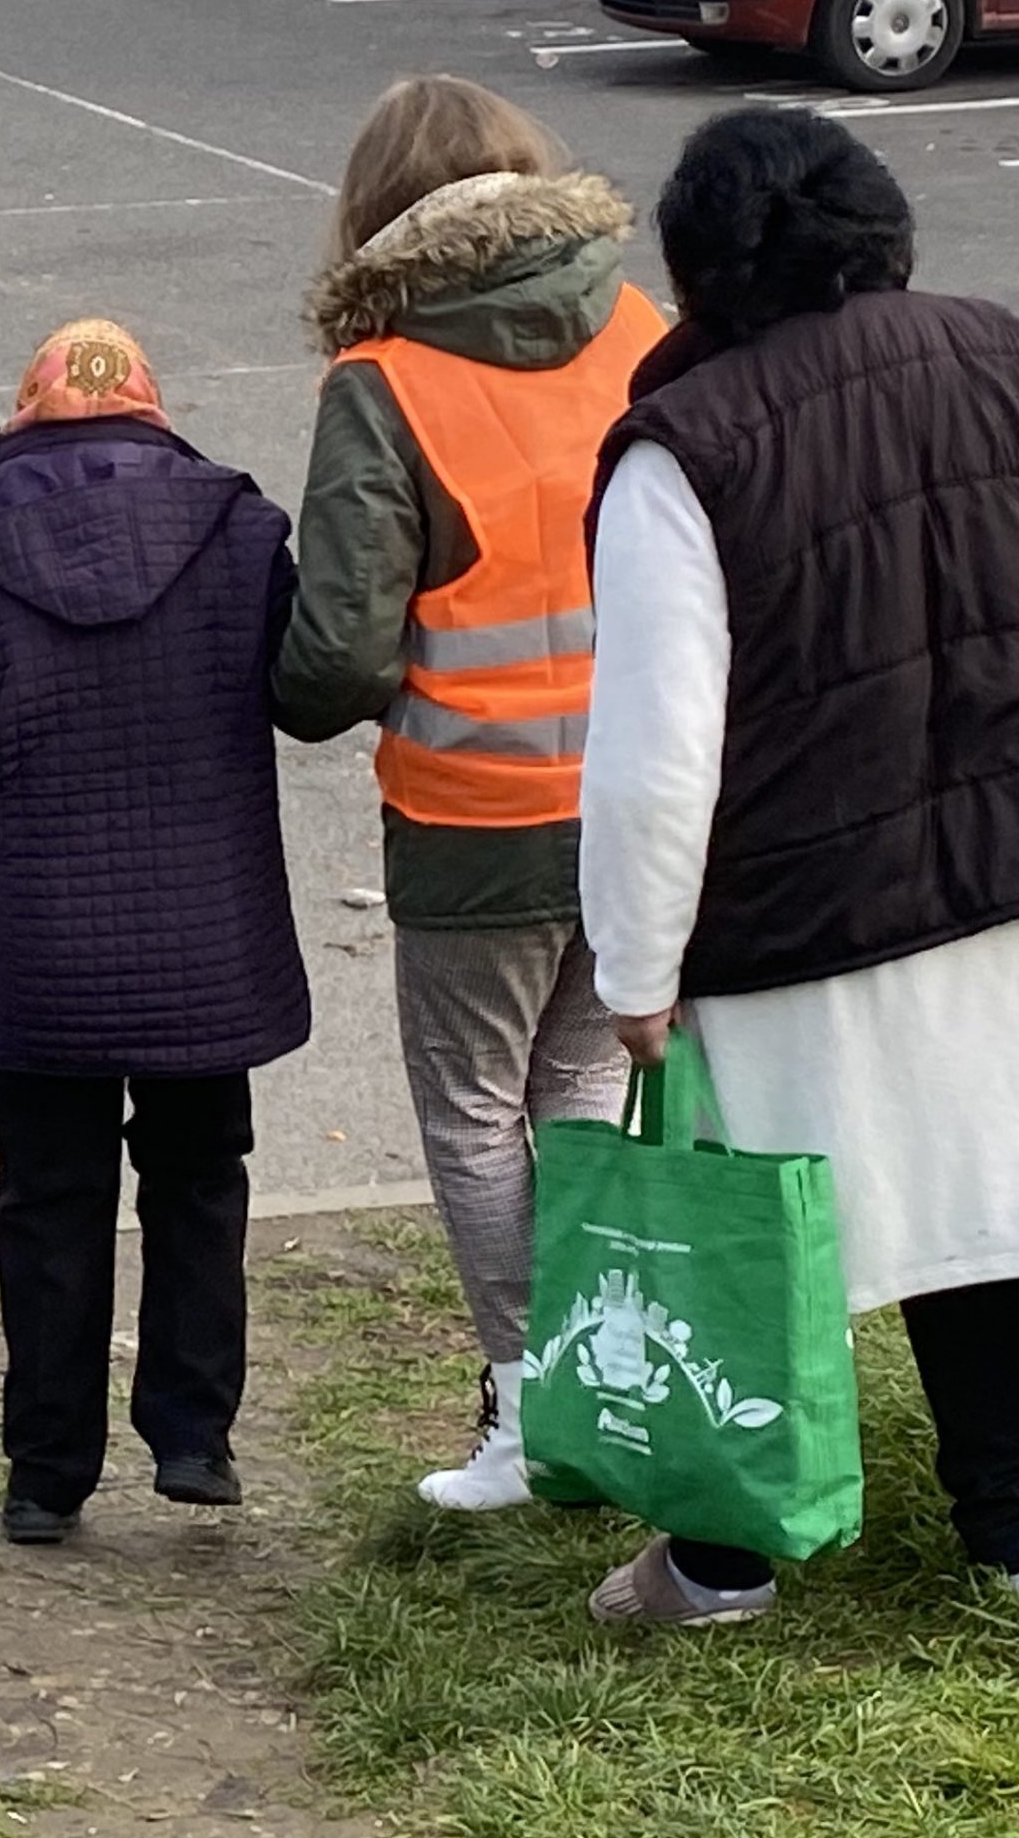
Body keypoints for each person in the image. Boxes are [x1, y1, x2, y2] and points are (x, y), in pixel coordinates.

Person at [578, 108, 1019, 1627]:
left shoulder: (684, 445)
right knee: (971, 1218)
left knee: (762, 1238)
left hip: (798, 919)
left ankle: (722, 1563)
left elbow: (659, 748)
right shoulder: (1012, 361)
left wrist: (636, 966)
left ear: (697, 270)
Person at [271, 77, 667, 1512]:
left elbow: (336, 653)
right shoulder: (639, 328)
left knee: (473, 1110)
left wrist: (292, 684)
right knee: (585, 1087)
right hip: (643, 797)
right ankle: (610, 1381)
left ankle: (528, 1399)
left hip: (475, 810)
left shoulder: (385, 377)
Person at [0, 320, 311, 1546]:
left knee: (47, 1201)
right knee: (201, 1178)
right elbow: (305, 684)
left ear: (21, 422)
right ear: (154, 415)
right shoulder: (239, 536)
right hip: (204, 939)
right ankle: (193, 1434)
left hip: (35, 949)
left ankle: (45, 1471)